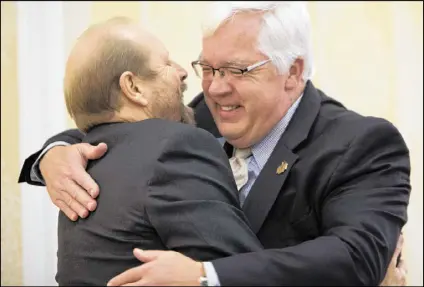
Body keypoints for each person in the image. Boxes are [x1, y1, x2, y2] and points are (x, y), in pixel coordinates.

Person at [18, 2, 410, 286]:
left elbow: (357, 256)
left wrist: (207, 276)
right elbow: (122, 127)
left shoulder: (362, 144)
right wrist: (53, 155)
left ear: (292, 72)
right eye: (207, 67)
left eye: (238, 70)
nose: (214, 88)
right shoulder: (205, 115)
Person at [48, 17, 264, 286]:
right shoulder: (176, 147)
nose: (182, 72)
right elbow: (242, 274)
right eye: (166, 63)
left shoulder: (82, 168)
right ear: (134, 88)